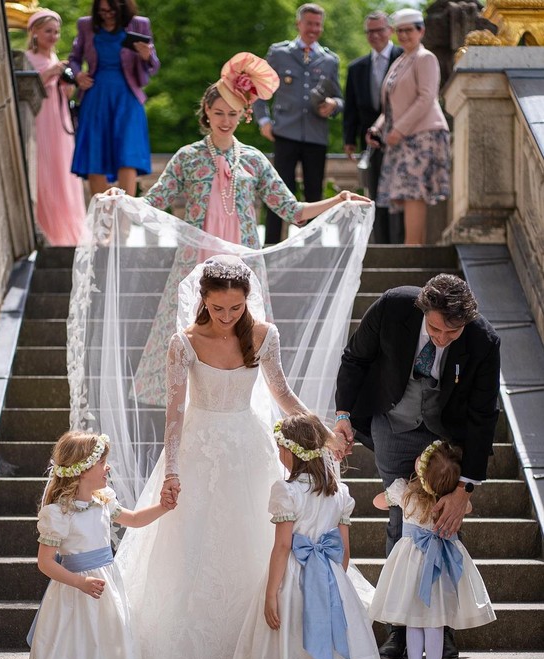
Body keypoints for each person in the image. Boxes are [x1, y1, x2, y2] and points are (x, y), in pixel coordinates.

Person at [114, 255, 349, 659]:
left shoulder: (264, 335)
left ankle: (268, 655)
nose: (227, 317)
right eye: (219, 308)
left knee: (255, 544)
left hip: (248, 444)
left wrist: (322, 435)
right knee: (191, 551)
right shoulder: (183, 343)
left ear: (247, 301)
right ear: (203, 300)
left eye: (236, 308)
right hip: (198, 449)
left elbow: (282, 396)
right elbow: (175, 413)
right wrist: (174, 470)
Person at [130, 51, 367, 406]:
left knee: (243, 338)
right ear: (206, 113)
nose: (225, 121)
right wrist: (123, 200)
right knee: (189, 338)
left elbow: (292, 210)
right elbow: (156, 200)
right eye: (219, 113)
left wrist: (337, 201)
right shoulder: (187, 157)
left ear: (244, 116)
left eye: (233, 114)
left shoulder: (255, 160)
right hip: (196, 262)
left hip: (242, 264)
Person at [334, 273, 501, 659]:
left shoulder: (482, 340)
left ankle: (441, 627)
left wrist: (464, 489)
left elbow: (483, 415)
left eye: (452, 333)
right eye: (437, 329)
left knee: (441, 526)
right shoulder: (393, 306)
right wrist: (343, 413)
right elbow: (355, 358)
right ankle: (399, 625)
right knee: (403, 523)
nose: (442, 339)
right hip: (393, 423)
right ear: (423, 310)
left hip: (447, 433)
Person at [233, 413, 380, 659]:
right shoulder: (338, 493)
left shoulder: (286, 491)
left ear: (292, 452)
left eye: (282, 447)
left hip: (291, 579)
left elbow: (282, 546)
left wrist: (271, 592)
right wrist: (334, 584)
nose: (279, 453)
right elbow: (344, 554)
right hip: (327, 577)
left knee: (269, 650)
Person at [25, 430, 173, 659]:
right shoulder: (58, 512)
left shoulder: (104, 500)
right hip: (71, 596)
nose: (109, 468)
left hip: (102, 594)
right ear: (83, 468)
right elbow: (45, 562)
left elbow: (133, 520)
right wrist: (79, 582)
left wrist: (163, 508)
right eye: (103, 462)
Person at [369, 440, 496, 659]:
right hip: (440, 572)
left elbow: (378, 501)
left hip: (410, 568)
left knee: (414, 623)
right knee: (435, 626)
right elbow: (468, 508)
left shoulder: (405, 492)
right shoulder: (451, 504)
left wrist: (396, 492)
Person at [254, 3, 343, 245]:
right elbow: (259, 88)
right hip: (284, 132)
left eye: (317, 25)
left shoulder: (329, 60)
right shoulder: (279, 53)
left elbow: (339, 97)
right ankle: (271, 245)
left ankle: (312, 249)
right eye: (309, 23)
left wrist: (333, 104)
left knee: (315, 192)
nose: (313, 29)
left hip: (316, 135)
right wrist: (263, 120)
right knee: (277, 192)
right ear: (299, 24)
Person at [366, 8, 450, 245]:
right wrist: (377, 129)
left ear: (421, 30)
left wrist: (399, 129)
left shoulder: (426, 58)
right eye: (399, 31)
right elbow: (389, 108)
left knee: (413, 194)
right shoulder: (400, 60)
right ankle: (413, 249)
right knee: (406, 194)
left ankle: (412, 250)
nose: (403, 35)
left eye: (409, 30)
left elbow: (426, 97)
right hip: (403, 137)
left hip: (423, 134)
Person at [69, 0, 160, 196]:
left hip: (128, 96)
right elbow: (74, 58)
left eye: (111, 10)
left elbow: (154, 65)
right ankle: (102, 219)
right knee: (95, 152)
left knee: (128, 154)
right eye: (102, 11)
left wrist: (147, 56)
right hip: (96, 95)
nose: (107, 15)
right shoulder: (86, 25)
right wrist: (78, 75)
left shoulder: (139, 24)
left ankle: (124, 217)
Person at [25, 9, 86, 245]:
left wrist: (66, 85)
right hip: (41, 122)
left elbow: (64, 94)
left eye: (56, 32)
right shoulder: (28, 59)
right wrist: (52, 72)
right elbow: (27, 86)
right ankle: (46, 229)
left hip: (60, 125)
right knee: (44, 169)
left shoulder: (56, 60)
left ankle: (67, 232)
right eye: (48, 31)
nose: (53, 36)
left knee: (64, 173)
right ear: (35, 32)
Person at [343, 11, 403, 245]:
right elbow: (351, 107)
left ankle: (400, 244)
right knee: (376, 193)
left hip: (401, 138)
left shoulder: (403, 58)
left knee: (399, 194)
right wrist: (349, 139)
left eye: (380, 30)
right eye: (370, 31)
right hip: (371, 142)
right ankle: (381, 243)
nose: (375, 35)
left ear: (389, 31)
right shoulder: (356, 67)